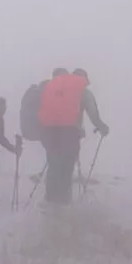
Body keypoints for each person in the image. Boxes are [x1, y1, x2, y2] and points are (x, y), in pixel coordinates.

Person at [37, 68, 108, 204]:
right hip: (69, 133)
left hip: (48, 132)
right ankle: (63, 201)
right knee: (66, 167)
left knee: (54, 165)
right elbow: (93, 113)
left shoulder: (53, 88)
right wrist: (102, 127)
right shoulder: (83, 91)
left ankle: (50, 199)